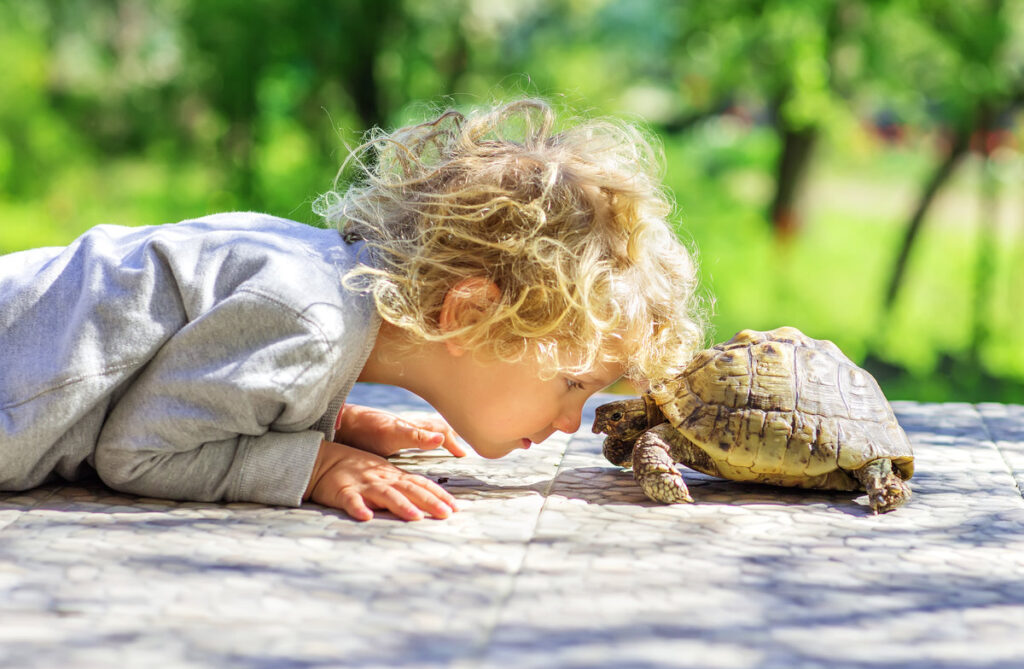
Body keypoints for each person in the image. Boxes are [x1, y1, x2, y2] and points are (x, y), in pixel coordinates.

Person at [0, 98, 704, 522]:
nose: (569, 421)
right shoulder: (312, 322)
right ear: (468, 314)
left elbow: (200, 383)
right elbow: (139, 449)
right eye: (573, 382)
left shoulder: (326, 297)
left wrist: (336, 417)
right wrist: (316, 463)